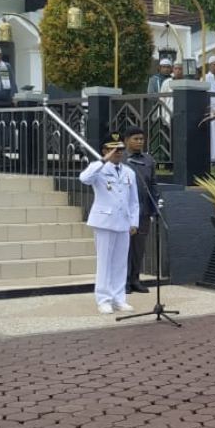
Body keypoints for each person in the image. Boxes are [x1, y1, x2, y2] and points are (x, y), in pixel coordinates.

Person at [80, 136, 140, 315]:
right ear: (105, 151)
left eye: (121, 149)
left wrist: (134, 221)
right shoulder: (98, 169)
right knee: (104, 263)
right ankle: (104, 299)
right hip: (104, 222)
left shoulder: (129, 172)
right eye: (113, 149)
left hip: (123, 222)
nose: (118, 153)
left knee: (120, 264)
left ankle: (119, 299)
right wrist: (102, 161)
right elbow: (84, 178)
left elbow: (133, 200)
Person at [123, 126, 160, 294]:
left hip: (143, 212)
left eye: (141, 139)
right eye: (135, 139)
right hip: (124, 212)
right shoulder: (120, 158)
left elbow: (153, 185)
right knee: (124, 248)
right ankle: (123, 282)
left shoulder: (148, 160)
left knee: (139, 248)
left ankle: (135, 280)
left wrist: (153, 210)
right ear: (126, 141)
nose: (139, 142)